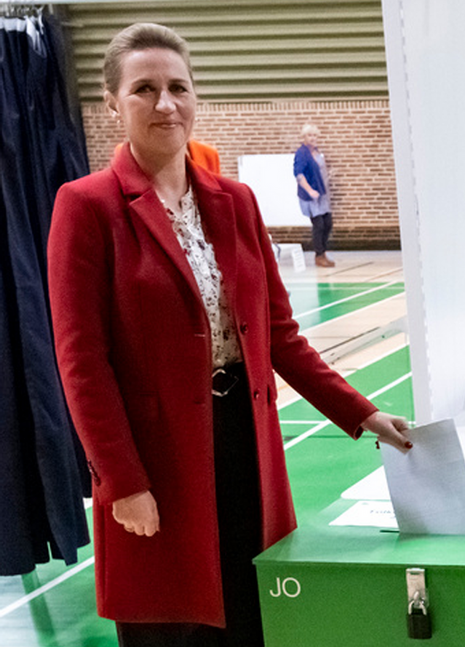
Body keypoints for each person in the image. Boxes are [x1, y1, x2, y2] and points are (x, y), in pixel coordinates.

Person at [47, 23, 413, 647]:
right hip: (155, 459)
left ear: (195, 97)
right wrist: (123, 484)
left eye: (178, 87)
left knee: (252, 616)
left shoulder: (236, 202)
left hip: (248, 444)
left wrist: (362, 413)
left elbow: (279, 335)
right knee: (172, 623)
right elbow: (82, 363)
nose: (165, 104)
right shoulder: (87, 206)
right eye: (144, 89)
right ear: (113, 103)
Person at [294, 123, 335, 268]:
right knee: (319, 225)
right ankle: (319, 255)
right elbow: (299, 174)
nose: (313, 138)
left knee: (328, 223)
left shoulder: (317, 152)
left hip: (322, 194)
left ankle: (323, 253)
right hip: (310, 197)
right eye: (310, 135)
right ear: (304, 137)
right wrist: (310, 190)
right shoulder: (302, 153)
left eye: (315, 135)